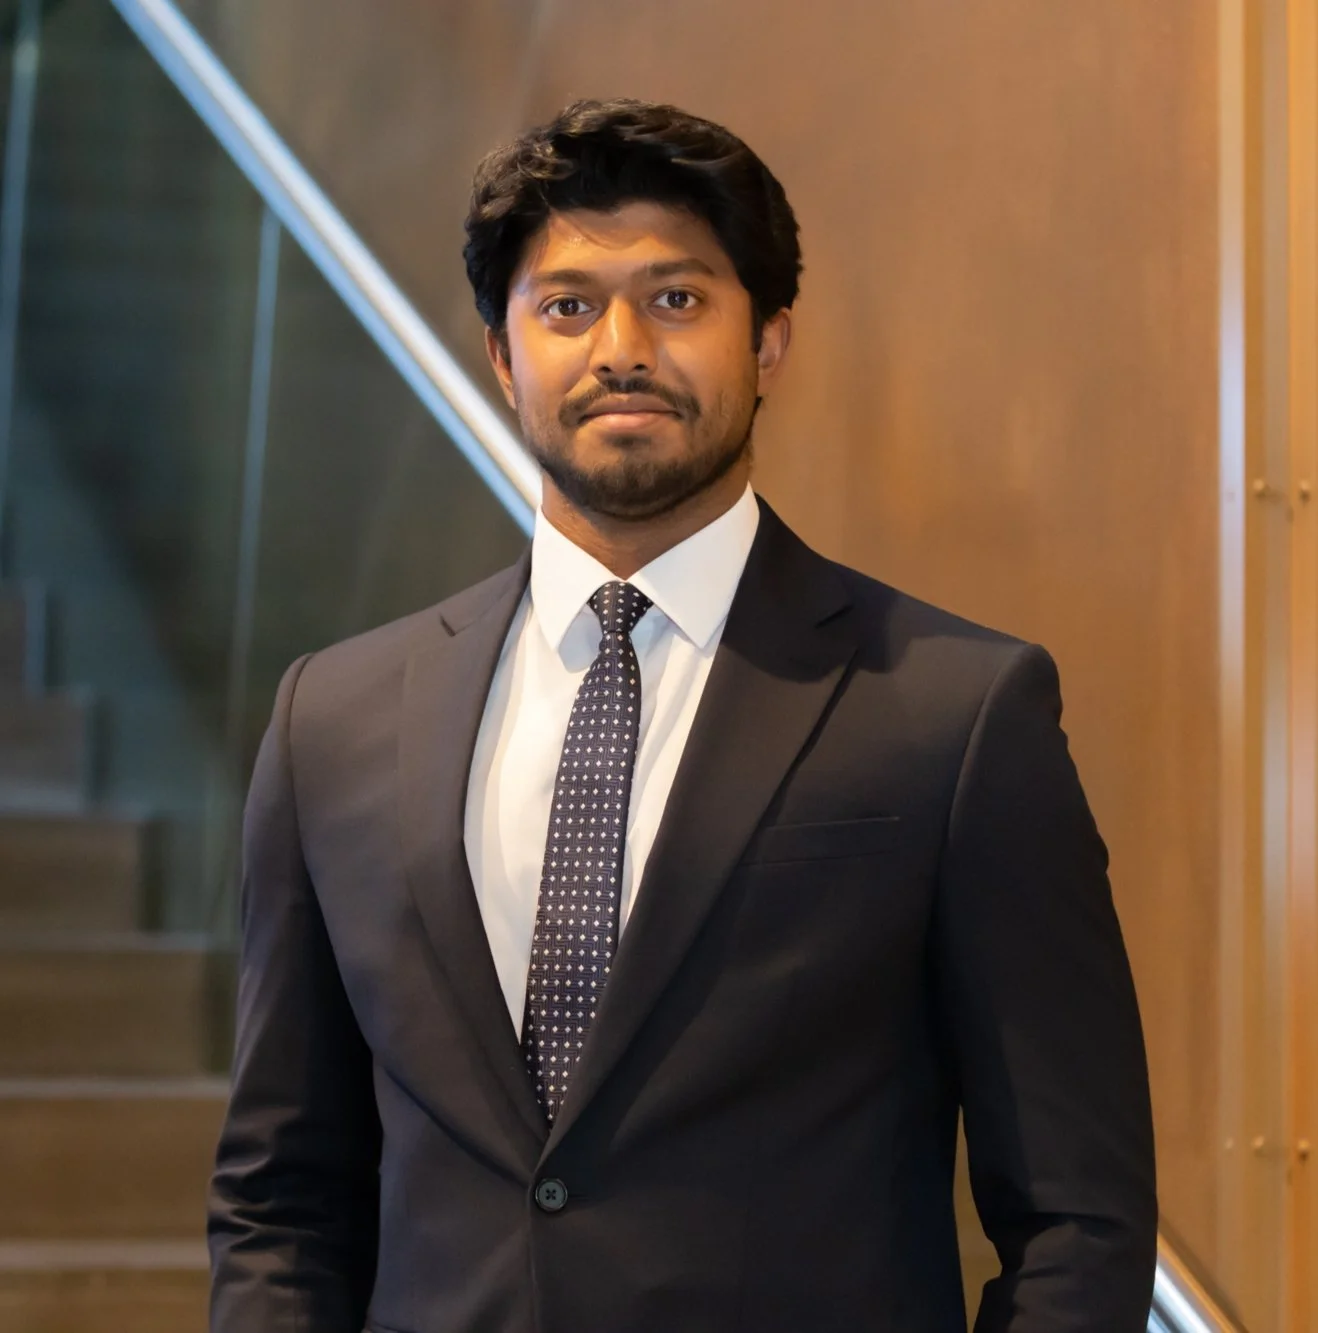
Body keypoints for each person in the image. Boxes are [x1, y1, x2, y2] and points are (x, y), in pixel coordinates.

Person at [208, 98, 1158, 1332]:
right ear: (501, 355)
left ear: (768, 342)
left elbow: (1079, 1216)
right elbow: (281, 1200)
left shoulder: (955, 711)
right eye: (566, 307)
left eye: (675, 298)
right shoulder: (331, 722)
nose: (620, 349)